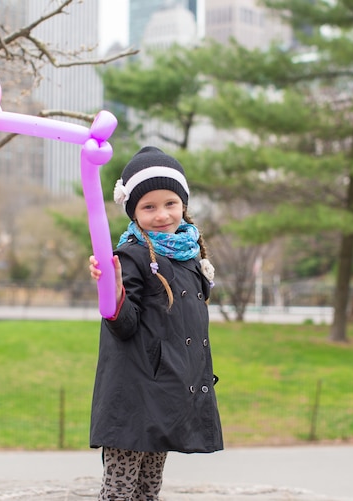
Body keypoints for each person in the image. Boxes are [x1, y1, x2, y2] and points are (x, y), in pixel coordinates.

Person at [88, 146, 223, 501]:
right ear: (133, 210)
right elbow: (124, 323)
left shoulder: (187, 253)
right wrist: (113, 289)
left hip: (164, 391)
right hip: (133, 393)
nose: (162, 214)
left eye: (170, 203)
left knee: (149, 489)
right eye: (148, 206)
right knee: (120, 489)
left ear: (183, 205)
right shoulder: (131, 255)